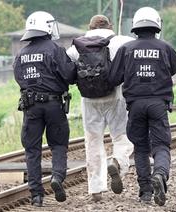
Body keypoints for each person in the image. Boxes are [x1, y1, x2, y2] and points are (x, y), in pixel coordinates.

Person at [108, 7, 176, 206]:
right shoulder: (165, 48)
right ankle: (160, 175)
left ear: (136, 27)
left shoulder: (126, 49)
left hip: (135, 105)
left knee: (140, 148)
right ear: (156, 25)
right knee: (161, 146)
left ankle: (146, 192)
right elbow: (175, 67)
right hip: (158, 104)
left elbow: (113, 77)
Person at [67, 15, 134, 202]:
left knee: (93, 141)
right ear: (110, 26)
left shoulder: (76, 46)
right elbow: (138, 47)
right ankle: (118, 162)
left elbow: (66, 65)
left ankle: (96, 189)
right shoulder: (121, 41)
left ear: (89, 27)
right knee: (121, 136)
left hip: (89, 100)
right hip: (116, 96)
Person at [13, 11, 77, 207]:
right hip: (54, 104)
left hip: (31, 107)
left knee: (32, 150)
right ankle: (57, 177)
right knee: (58, 145)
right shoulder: (55, 49)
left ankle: (36, 195)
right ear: (47, 27)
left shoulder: (21, 54)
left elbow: (18, 78)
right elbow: (69, 76)